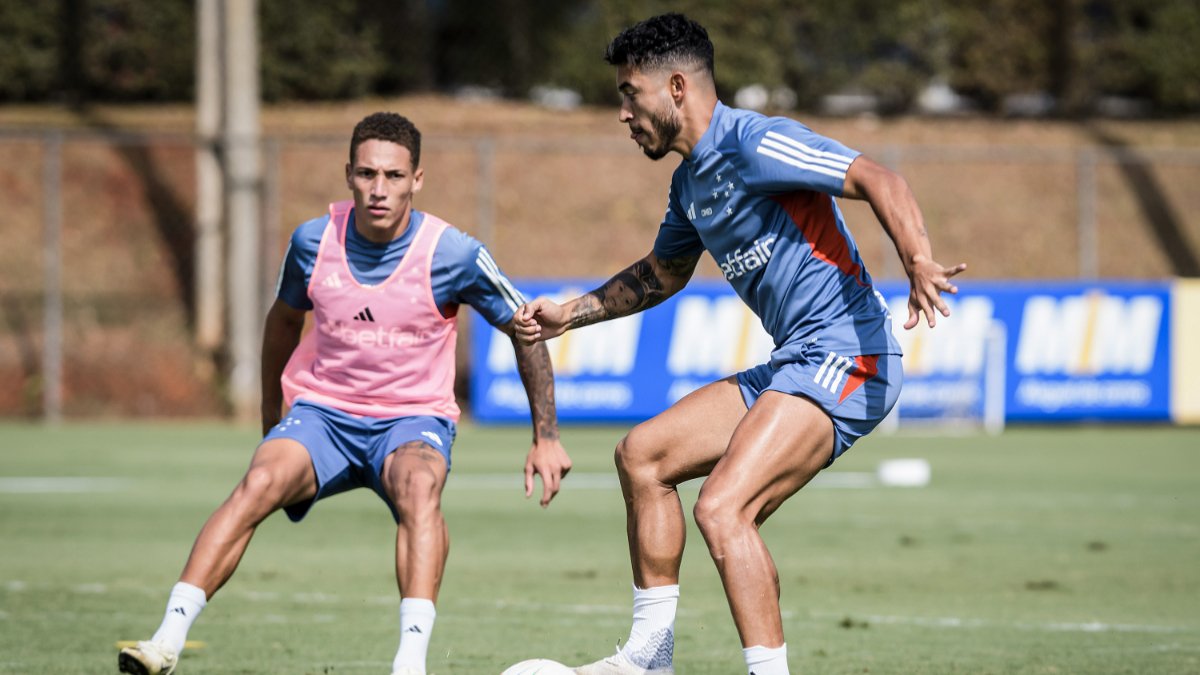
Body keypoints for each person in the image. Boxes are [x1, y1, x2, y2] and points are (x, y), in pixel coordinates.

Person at [514, 13, 965, 675]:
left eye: (628, 93)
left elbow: (877, 178)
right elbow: (663, 273)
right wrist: (570, 314)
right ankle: (648, 657)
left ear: (674, 88)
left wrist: (918, 259)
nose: (621, 112)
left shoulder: (756, 142)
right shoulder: (690, 184)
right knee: (642, 456)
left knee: (724, 508)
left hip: (852, 355)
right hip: (798, 362)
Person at [119, 112, 572, 675]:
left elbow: (525, 328)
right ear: (348, 176)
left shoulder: (452, 253)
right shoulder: (313, 241)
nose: (379, 189)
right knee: (260, 481)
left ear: (417, 179)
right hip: (323, 415)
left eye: (393, 175)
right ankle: (165, 642)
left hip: (412, 419)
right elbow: (281, 325)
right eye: (366, 174)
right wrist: (270, 418)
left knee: (420, 487)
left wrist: (545, 436)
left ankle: (409, 665)